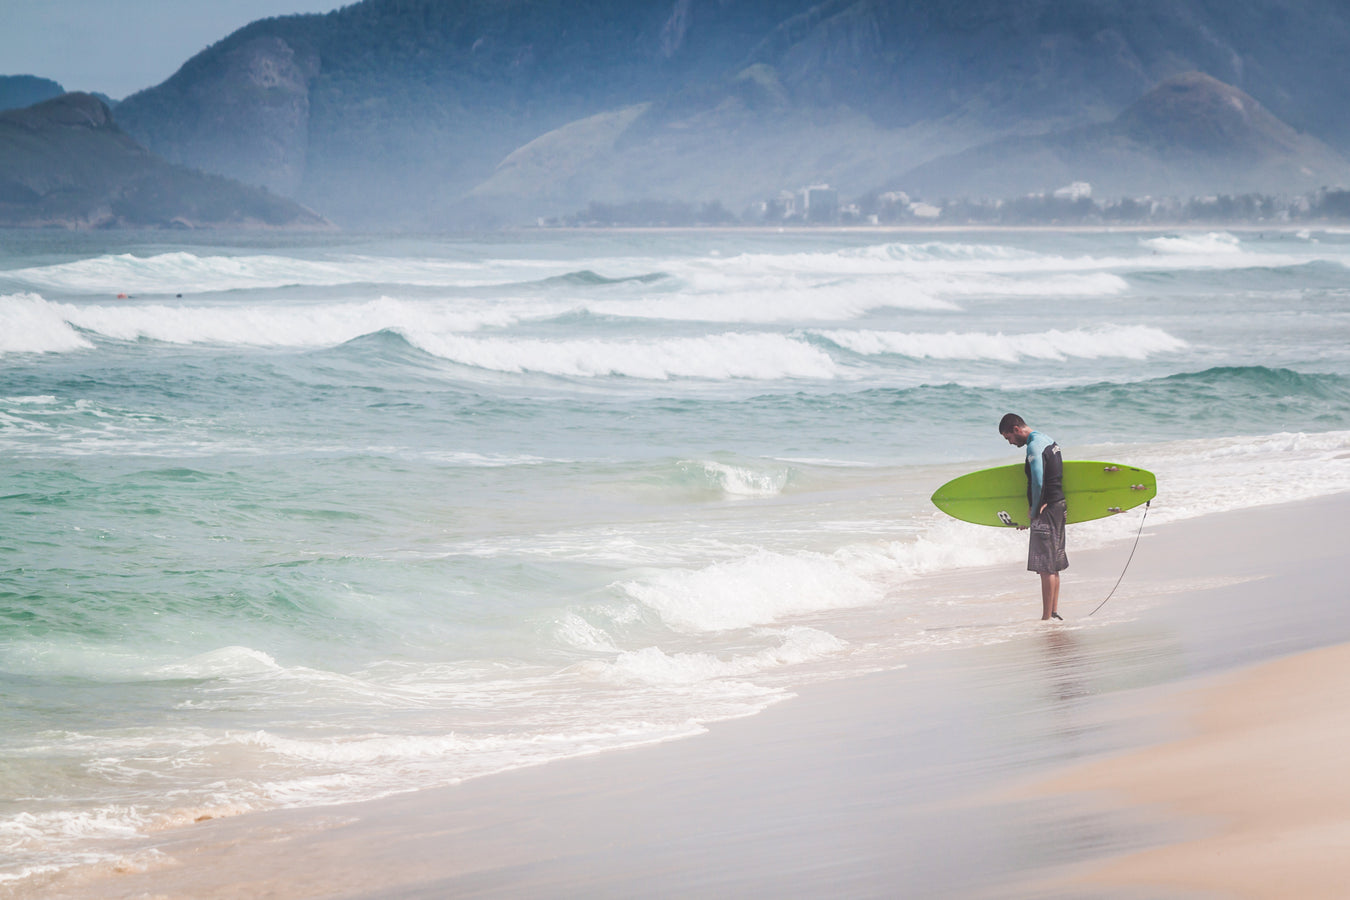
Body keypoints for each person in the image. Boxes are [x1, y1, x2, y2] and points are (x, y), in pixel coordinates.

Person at [998, 413, 1068, 621]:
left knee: (1045, 568)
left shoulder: (1034, 446)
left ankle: (1046, 619)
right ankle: (1053, 612)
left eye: (1008, 437)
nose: (1010, 443)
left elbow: (1038, 481)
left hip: (1047, 510)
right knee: (1053, 566)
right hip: (1058, 505)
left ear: (1016, 429)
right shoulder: (1048, 440)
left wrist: (1035, 510)